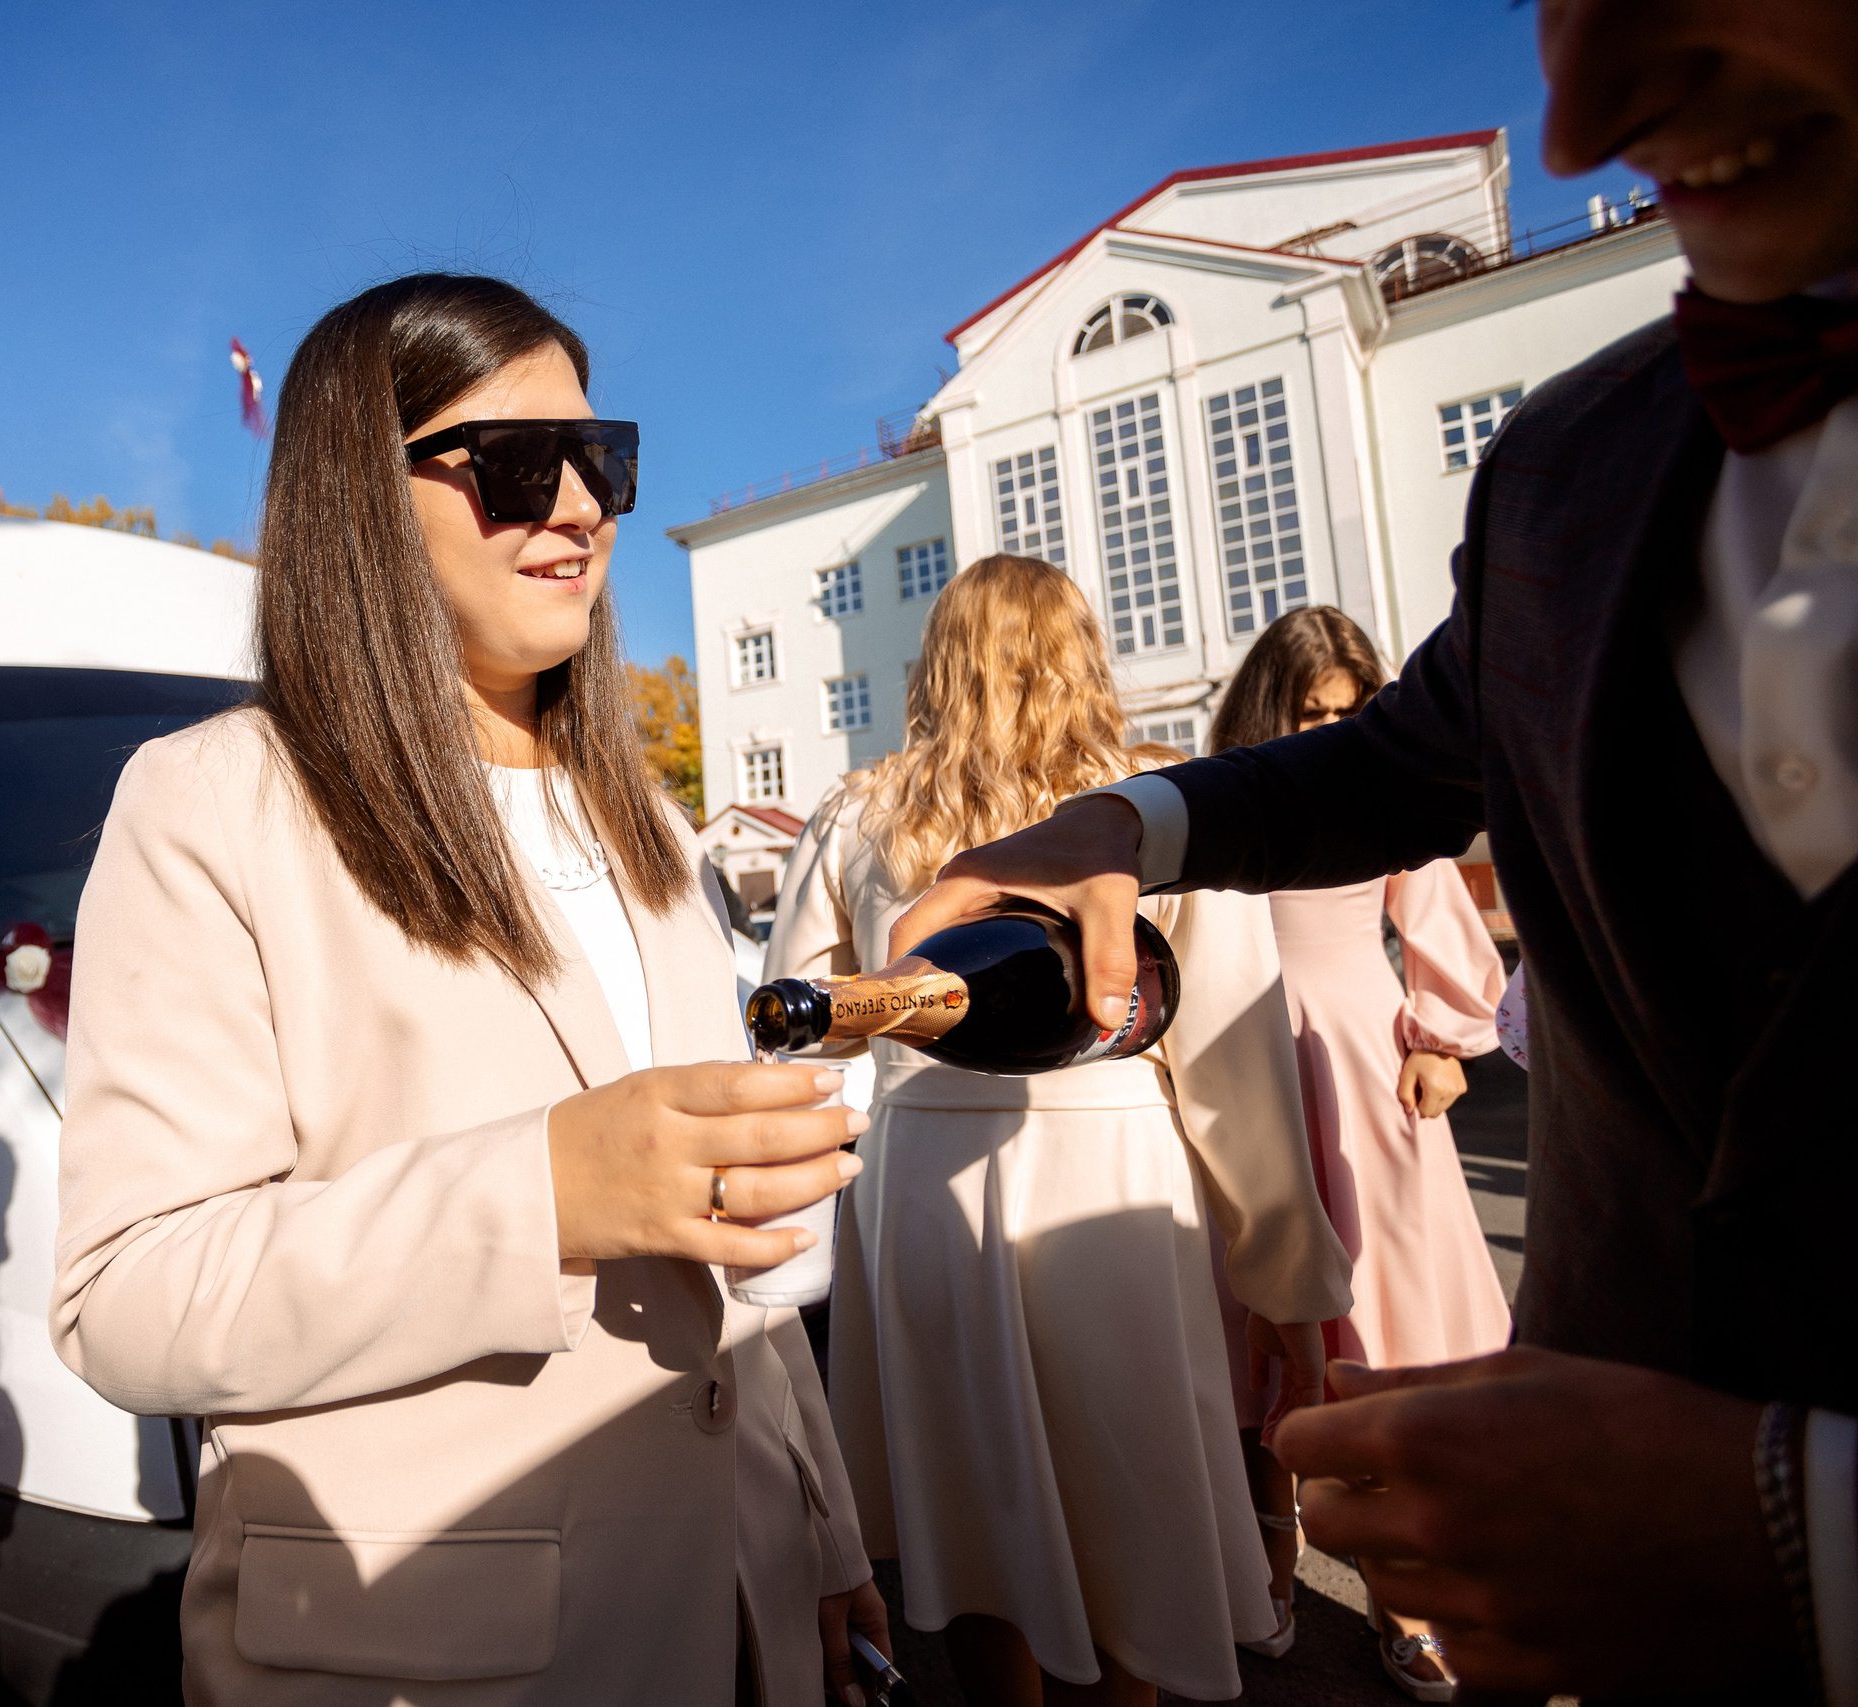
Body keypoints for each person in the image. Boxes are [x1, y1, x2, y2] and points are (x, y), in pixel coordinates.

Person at [879, 1, 1858, 1697]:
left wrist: (1804, 1524)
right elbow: (1408, 763)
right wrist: (1129, 821)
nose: (1579, 126)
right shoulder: (1562, 463)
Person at [48, 274, 888, 1706]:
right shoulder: (211, 804)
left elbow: (729, 1244)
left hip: (735, 1612)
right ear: (361, 497)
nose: (576, 505)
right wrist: (544, 1191)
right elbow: (128, 1293)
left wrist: (819, 1531)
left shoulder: (653, 833)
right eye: (512, 465)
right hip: (425, 1651)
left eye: (600, 457)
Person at [764, 554, 1351, 1705]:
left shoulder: (861, 810)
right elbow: (1232, 1057)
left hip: (925, 1177)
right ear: (1087, 654)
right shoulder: (1159, 807)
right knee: (1132, 1492)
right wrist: (1289, 1278)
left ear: (938, 661)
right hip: (1112, 1169)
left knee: (973, 1497)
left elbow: (804, 1027)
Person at [1205, 606, 1511, 1704]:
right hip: (1236, 1059)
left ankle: (1403, 1600)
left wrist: (1443, 1040)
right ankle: (1270, 1571)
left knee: (1377, 1334)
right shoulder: (1230, 788)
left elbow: (1438, 924)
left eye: (1349, 709)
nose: (1330, 725)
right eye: (1309, 708)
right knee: (1252, 1329)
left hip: (1359, 1064)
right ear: (1267, 705)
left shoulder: (1387, 791)